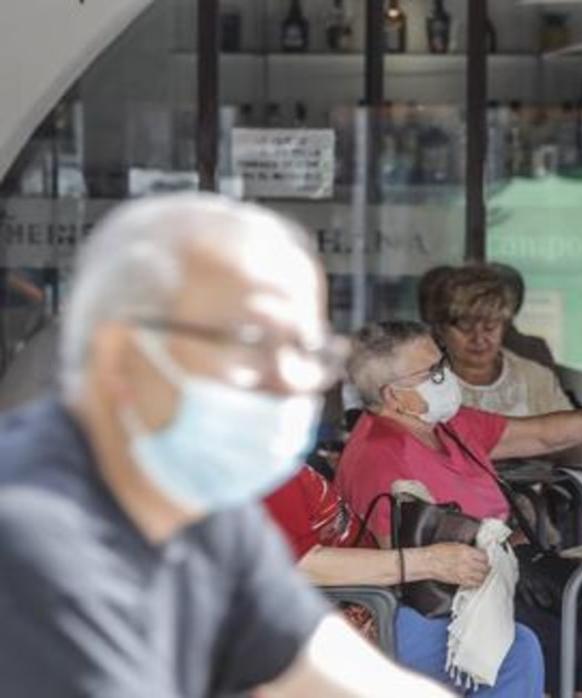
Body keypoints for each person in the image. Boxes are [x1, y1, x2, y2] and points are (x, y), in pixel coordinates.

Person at [0, 193, 451, 696]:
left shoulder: (203, 510)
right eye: (251, 343)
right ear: (120, 355)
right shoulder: (29, 534)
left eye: (305, 349)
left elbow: (322, 672)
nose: (288, 382)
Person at [335, 320, 582, 697]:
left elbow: (540, 434)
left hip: (494, 575)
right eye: (431, 372)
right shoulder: (379, 454)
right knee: (554, 640)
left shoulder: (448, 424)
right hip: (429, 606)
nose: (445, 376)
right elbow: (404, 565)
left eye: (442, 362)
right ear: (394, 395)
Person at [265, 464, 545, 696]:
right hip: (344, 624)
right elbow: (301, 565)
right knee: (514, 650)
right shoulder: (264, 475)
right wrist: (428, 562)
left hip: (369, 606)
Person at [430, 264, 582, 464]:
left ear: (505, 326)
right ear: (440, 328)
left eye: (490, 326)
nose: (479, 338)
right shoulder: (421, 381)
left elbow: (567, 441)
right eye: (465, 326)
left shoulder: (534, 378)